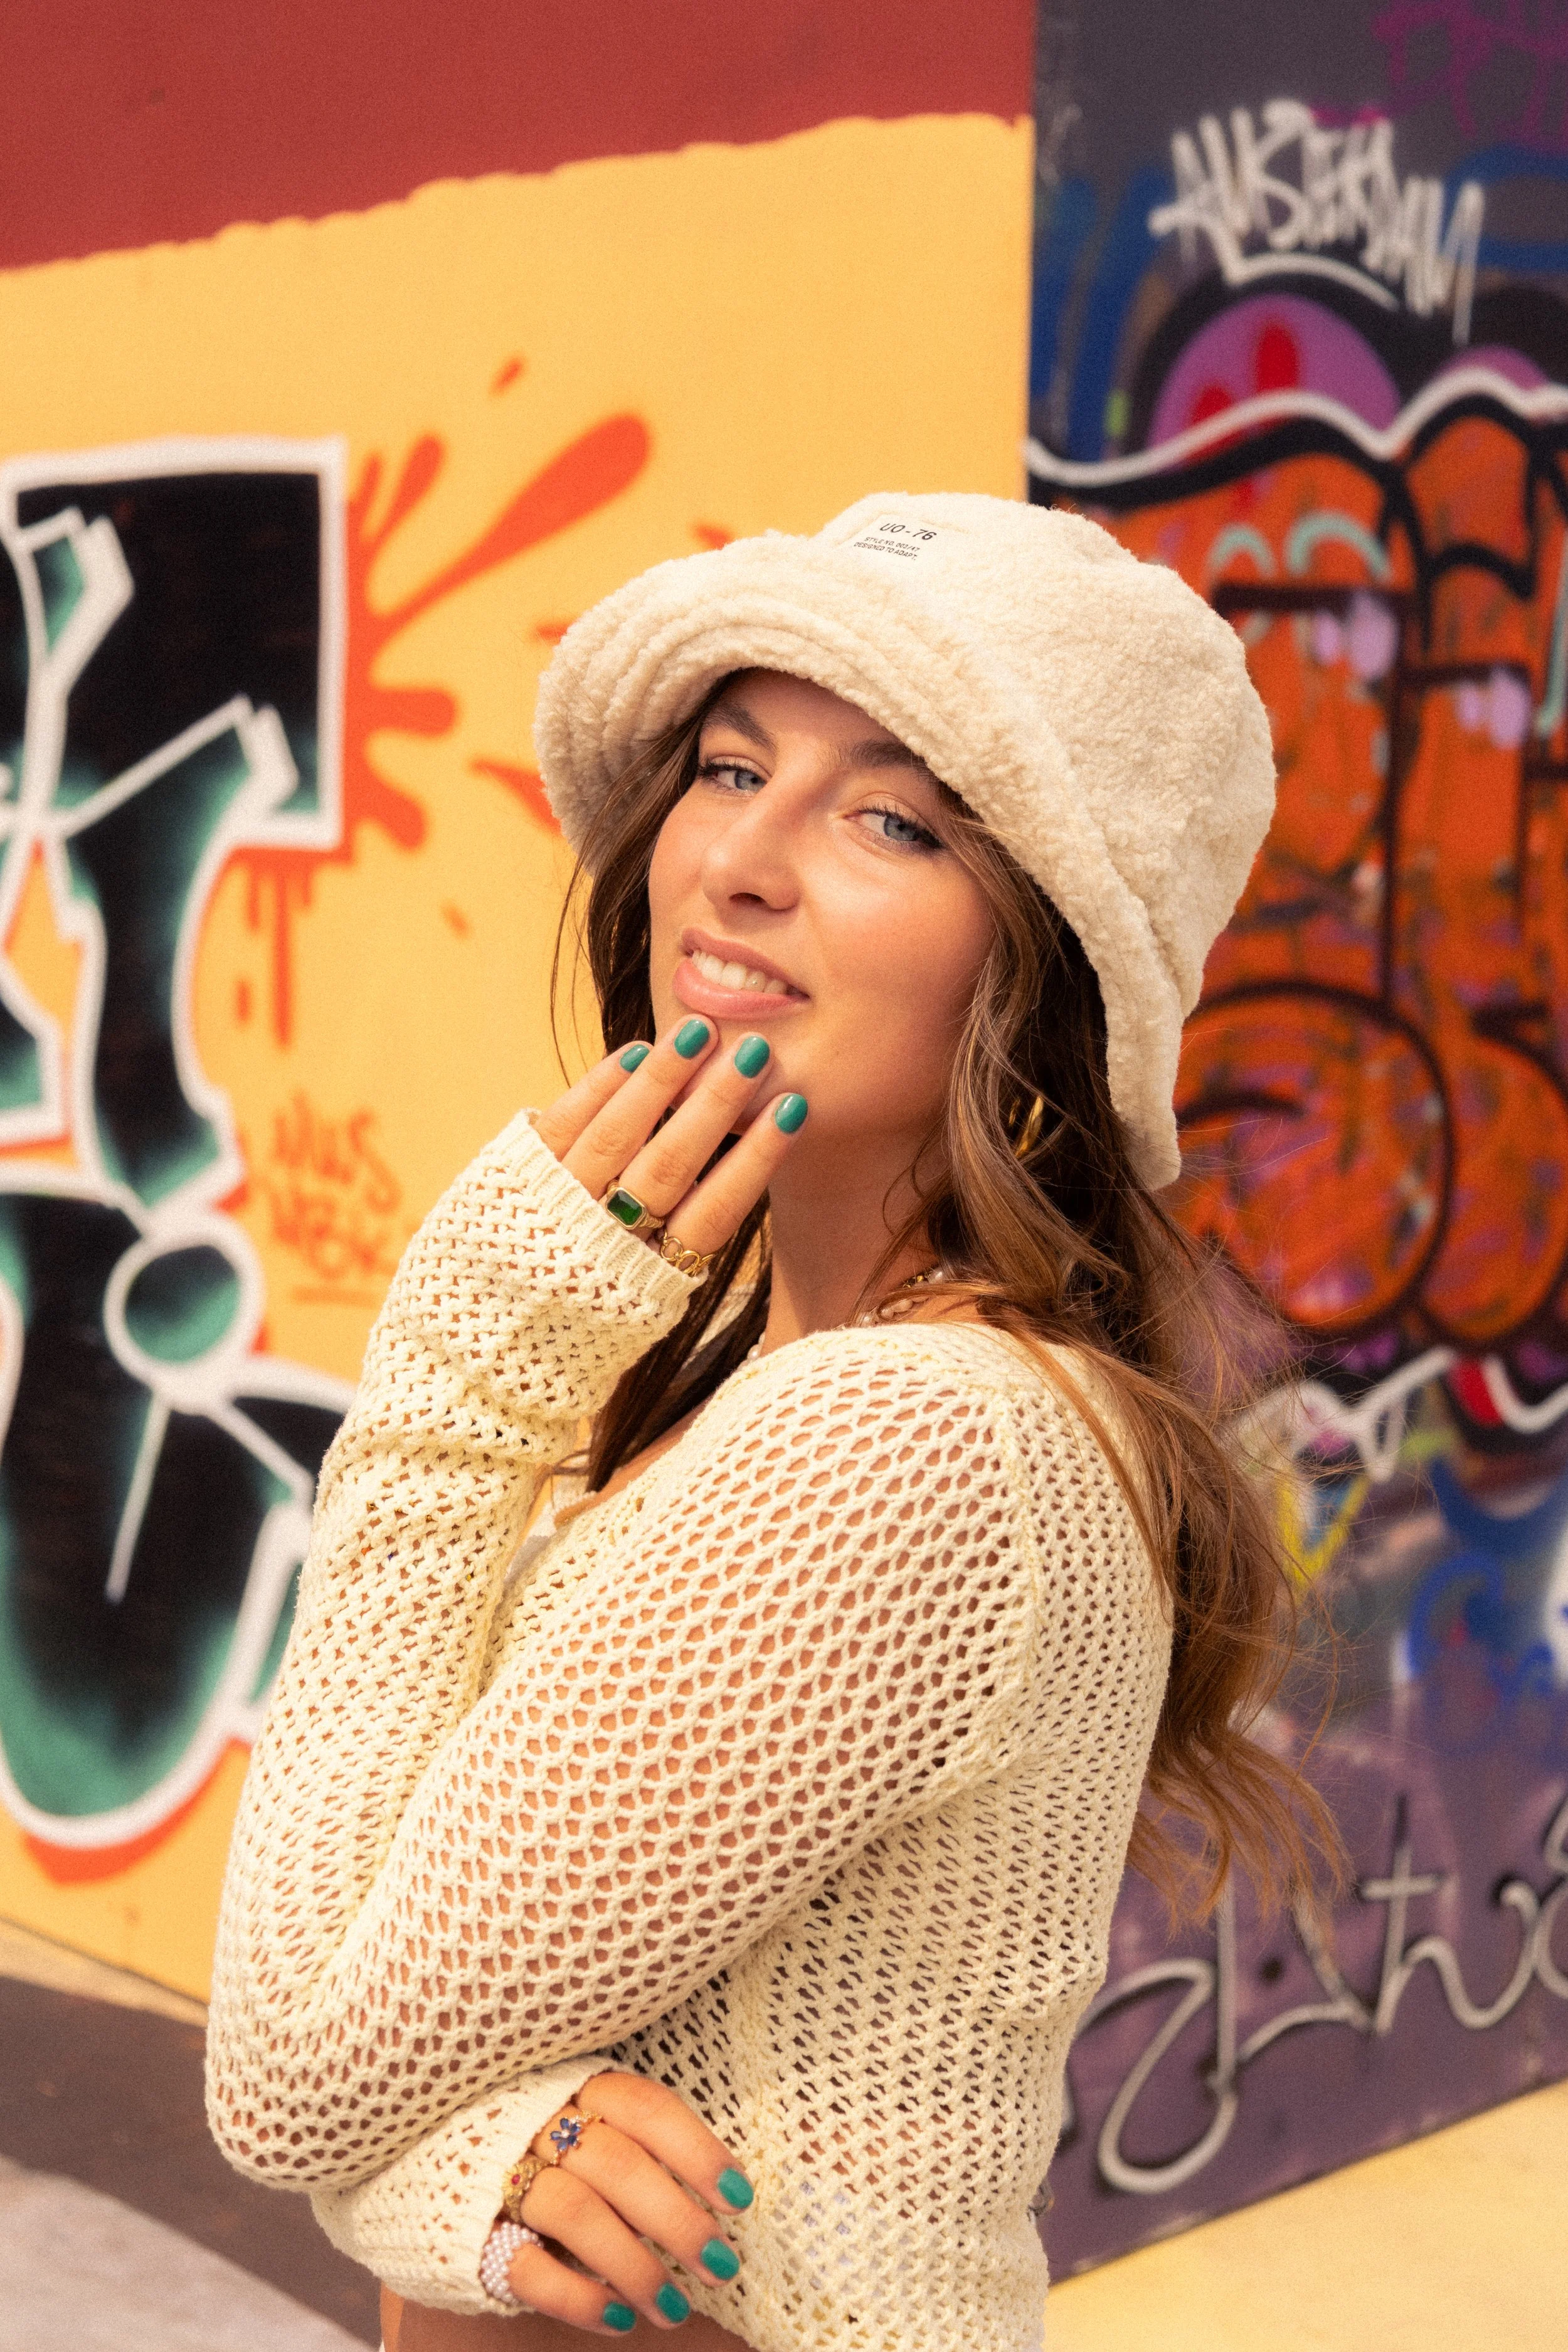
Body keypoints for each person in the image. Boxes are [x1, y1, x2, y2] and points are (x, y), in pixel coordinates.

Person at [206, 494, 1329, 2352]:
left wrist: (447, 1396)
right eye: (732, 766)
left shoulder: (909, 1444)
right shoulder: (735, 1383)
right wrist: (448, 2172)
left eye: (891, 816)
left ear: (1035, 965)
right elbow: (358, 2005)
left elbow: (288, 2072)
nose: (737, 859)